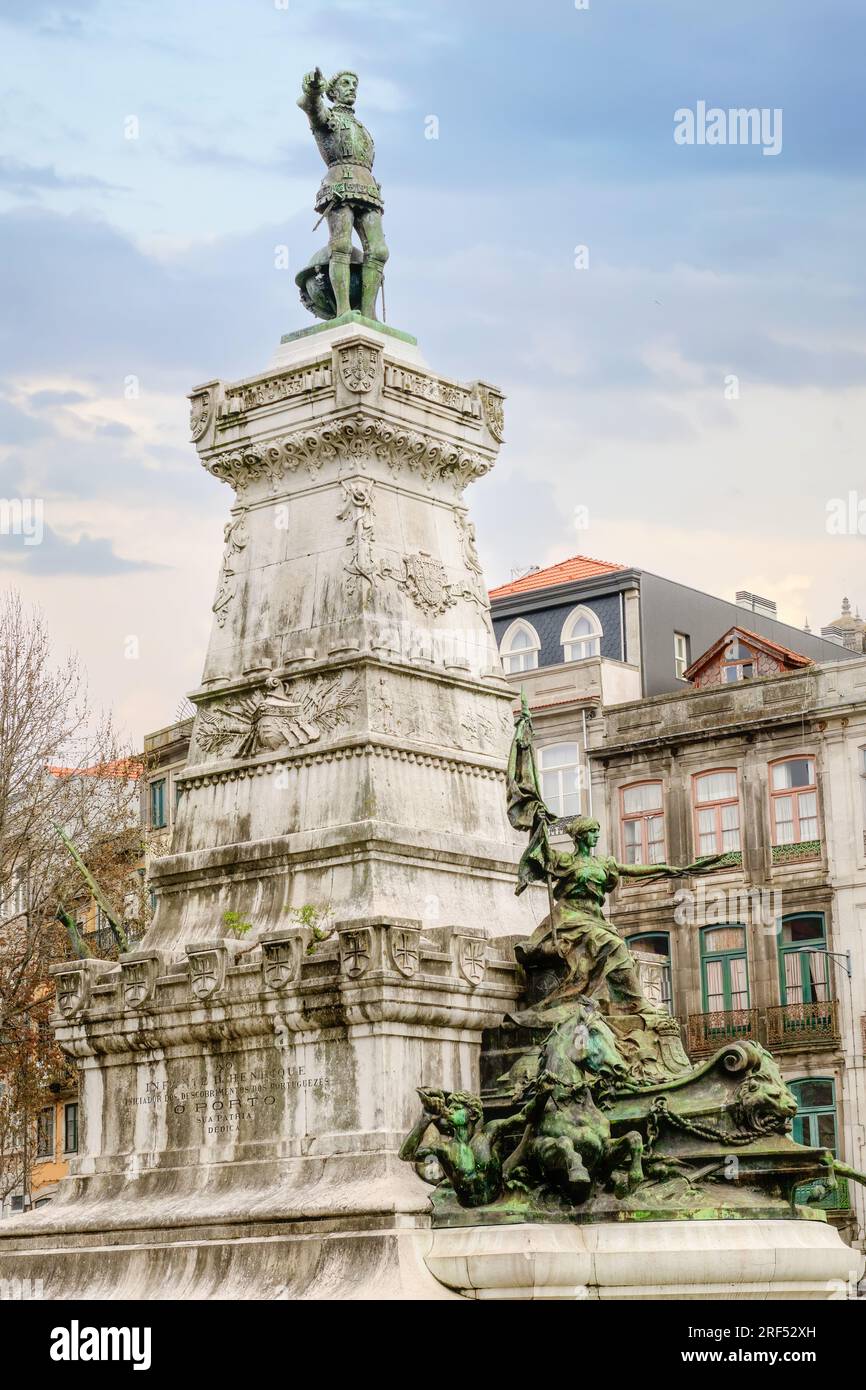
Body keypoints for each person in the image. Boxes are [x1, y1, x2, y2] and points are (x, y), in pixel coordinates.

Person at [297, 68, 389, 319]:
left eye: (354, 84)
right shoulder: (328, 118)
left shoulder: (361, 126)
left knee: (379, 251)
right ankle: (343, 311)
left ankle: (368, 313)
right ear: (333, 91)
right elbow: (310, 107)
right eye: (346, 84)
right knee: (342, 246)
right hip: (339, 185)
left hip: (367, 187)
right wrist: (313, 90)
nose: (351, 88)